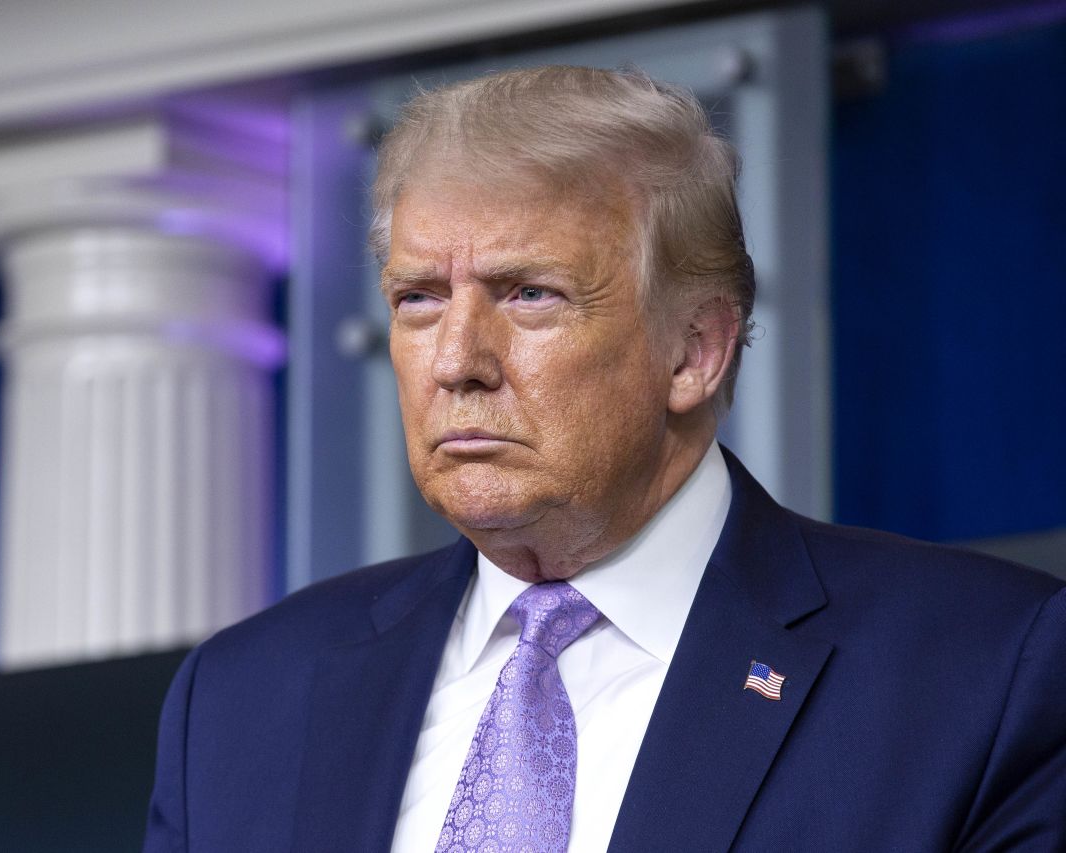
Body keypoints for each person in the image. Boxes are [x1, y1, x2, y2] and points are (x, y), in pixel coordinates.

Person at [143, 66, 1066, 852]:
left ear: (695, 350)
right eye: (419, 298)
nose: (457, 359)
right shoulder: (238, 702)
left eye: (530, 293)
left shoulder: (982, 676)